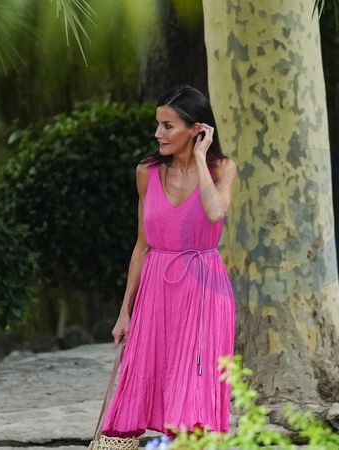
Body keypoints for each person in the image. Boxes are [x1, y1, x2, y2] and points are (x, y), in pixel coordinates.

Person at [100, 85, 238, 442]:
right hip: (156, 291)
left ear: (196, 129)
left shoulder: (222, 168)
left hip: (203, 291)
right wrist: (125, 312)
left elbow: (215, 212)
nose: (158, 134)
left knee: (194, 394)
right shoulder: (146, 172)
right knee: (152, 383)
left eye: (168, 126)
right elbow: (141, 245)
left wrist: (201, 158)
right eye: (158, 124)